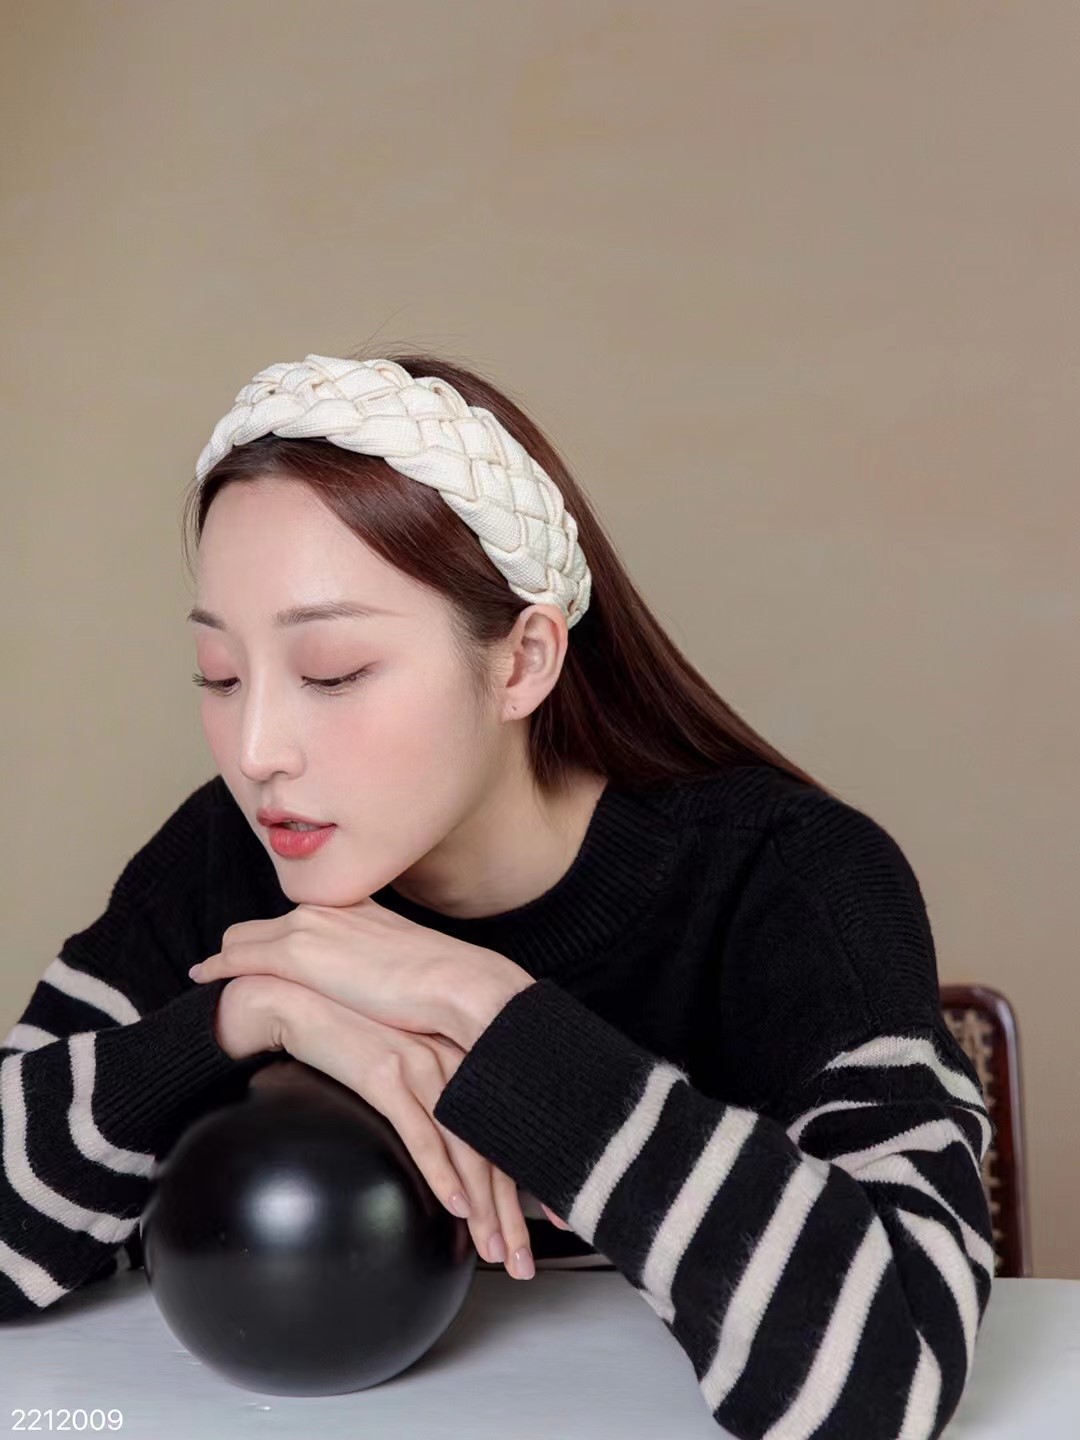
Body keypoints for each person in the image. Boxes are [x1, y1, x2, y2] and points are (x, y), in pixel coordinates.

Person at [1, 350, 993, 1440]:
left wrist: (487, 1010)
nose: (257, 749)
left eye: (331, 672)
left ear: (522, 662)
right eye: (221, 676)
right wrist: (236, 1017)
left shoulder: (791, 879)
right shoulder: (222, 860)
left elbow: (891, 1381)